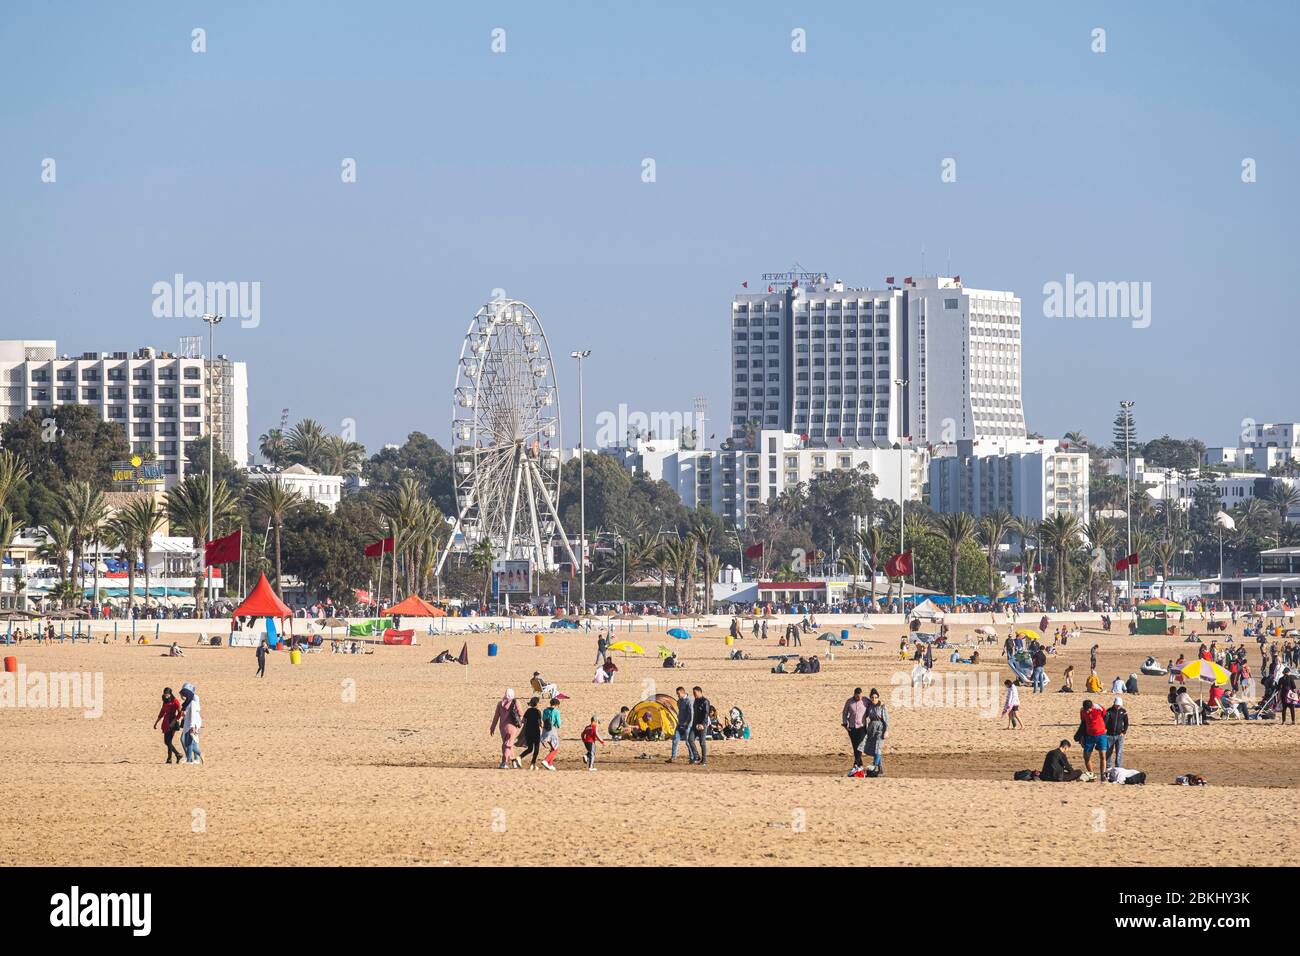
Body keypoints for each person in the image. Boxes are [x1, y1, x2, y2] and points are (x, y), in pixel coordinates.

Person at [489, 688, 522, 769]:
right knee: (508, 744)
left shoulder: (500, 703)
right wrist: (520, 721)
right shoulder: (516, 702)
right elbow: (521, 713)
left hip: (503, 728)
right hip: (512, 727)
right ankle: (505, 762)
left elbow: (496, 717)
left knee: (507, 744)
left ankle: (513, 762)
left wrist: (492, 727)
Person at [859, 688, 889, 775]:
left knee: (878, 748)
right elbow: (865, 714)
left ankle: (874, 766)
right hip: (871, 728)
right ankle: (880, 769)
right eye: (872, 697)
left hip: (880, 728)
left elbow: (886, 719)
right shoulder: (870, 706)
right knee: (874, 749)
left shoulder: (882, 706)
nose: (874, 699)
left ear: (878, 697)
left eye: (876, 697)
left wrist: (886, 730)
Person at [153, 687, 184, 764]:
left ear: (170, 694)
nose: (166, 695)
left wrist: (176, 719)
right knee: (167, 741)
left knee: (168, 741)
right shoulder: (164, 700)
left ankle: (172, 757)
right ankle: (174, 756)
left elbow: (180, 712)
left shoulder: (175, 701)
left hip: (172, 722)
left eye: (167, 694)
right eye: (165, 694)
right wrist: (156, 722)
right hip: (166, 722)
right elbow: (162, 711)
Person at [1079, 700, 1108, 779]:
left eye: (1088, 710)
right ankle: (1092, 775)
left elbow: (1106, 716)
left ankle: (1102, 775)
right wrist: (1081, 736)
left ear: (1091, 707)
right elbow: (1083, 723)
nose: (1087, 712)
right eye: (1086, 710)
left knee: (1102, 755)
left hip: (1101, 735)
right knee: (1086, 756)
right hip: (1089, 736)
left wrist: (1105, 727)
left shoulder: (1099, 708)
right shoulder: (1082, 711)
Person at [667, 686, 696, 764]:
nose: (678, 695)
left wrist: (688, 723)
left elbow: (691, 713)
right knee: (675, 740)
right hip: (680, 724)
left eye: (678, 694)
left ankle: (692, 758)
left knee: (688, 741)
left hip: (688, 725)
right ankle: (673, 757)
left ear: (683, 692)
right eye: (677, 694)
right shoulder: (679, 701)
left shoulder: (689, 700)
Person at [842, 687, 867, 771]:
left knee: (860, 747)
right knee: (855, 747)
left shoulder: (865, 700)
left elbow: (873, 704)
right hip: (852, 728)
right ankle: (860, 765)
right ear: (854, 695)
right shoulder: (849, 701)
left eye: (860, 696)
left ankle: (856, 764)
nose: (859, 698)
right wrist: (845, 723)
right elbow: (845, 712)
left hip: (862, 728)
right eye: (857, 696)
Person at [179, 682, 203, 765]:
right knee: (187, 740)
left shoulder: (194, 699)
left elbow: (195, 710)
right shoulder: (188, 700)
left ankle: (197, 758)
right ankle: (190, 758)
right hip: (188, 722)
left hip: (193, 723)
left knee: (193, 741)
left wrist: (193, 725)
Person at [519, 696, 544, 769]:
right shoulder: (538, 711)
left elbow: (523, 721)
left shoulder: (528, 710)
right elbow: (540, 723)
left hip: (528, 731)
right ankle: (532, 764)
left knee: (530, 748)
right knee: (536, 749)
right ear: (537, 703)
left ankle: (519, 757)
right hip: (535, 732)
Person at [1105, 697, 1129, 769]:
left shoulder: (1123, 711)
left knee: (1119, 752)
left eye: (1119, 705)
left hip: (1119, 735)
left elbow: (1126, 723)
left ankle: (1118, 767)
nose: (1118, 706)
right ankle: (1108, 766)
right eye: (1117, 705)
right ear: (1114, 704)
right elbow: (1105, 722)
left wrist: (1124, 732)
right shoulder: (1109, 711)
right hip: (1109, 735)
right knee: (1109, 751)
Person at [690, 686, 711, 767]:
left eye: (695, 693)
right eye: (693, 693)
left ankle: (704, 760)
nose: (694, 695)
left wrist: (702, 724)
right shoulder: (695, 701)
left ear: (699, 692)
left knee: (702, 742)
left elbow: (706, 714)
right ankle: (697, 756)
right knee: (690, 739)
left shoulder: (705, 701)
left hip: (702, 725)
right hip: (694, 724)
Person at [540, 697, 562, 770]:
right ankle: (546, 760)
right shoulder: (556, 711)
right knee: (556, 749)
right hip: (552, 731)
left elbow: (543, 719)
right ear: (556, 705)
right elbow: (558, 723)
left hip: (545, 730)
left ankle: (550, 764)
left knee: (553, 748)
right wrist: (558, 725)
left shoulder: (545, 710)